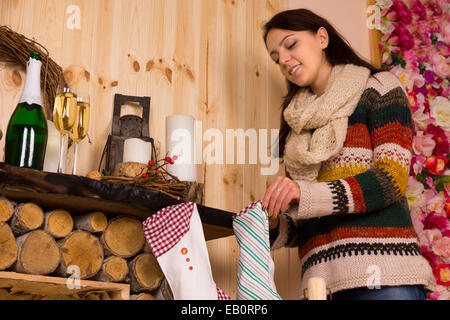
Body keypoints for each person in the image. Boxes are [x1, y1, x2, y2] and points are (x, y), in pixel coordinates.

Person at [261, 8, 436, 300]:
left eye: (290, 45)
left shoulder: (378, 88)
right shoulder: (296, 123)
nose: (284, 60)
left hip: (386, 278)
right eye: (276, 58)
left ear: (321, 37)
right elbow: (308, 216)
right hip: (321, 286)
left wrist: (303, 195)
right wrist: (275, 221)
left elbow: (390, 180)